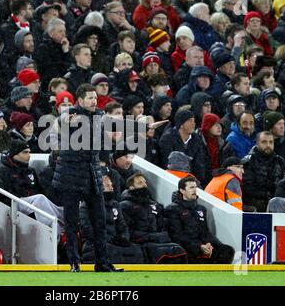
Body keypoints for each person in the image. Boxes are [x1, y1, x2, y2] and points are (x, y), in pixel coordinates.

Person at [52, 83, 120, 272]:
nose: (94, 101)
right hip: (70, 176)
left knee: (100, 222)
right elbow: (62, 121)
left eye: (95, 98)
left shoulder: (99, 115)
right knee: (72, 223)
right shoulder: (71, 114)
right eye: (90, 98)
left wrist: (143, 126)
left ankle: (103, 263)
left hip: (92, 175)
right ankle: (74, 263)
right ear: (80, 100)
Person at [165, 175, 235, 263]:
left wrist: (212, 244)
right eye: (191, 187)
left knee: (227, 250)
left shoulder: (201, 209)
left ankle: (218, 274)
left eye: (195, 187)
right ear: (182, 190)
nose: (195, 190)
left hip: (202, 245)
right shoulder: (172, 209)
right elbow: (177, 236)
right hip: (186, 246)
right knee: (193, 252)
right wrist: (199, 246)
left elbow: (205, 232)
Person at [120, 172, 187, 263]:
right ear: (131, 187)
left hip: (157, 240)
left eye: (145, 182)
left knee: (178, 248)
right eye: (140, 183)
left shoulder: (154, 204)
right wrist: (150, 236)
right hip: (141, 242)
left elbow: (162, 226)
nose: (144, 185)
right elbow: (128, 231)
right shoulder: (125, 206)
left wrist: (161, 236)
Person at [80, 174, 145, 264]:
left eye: (111, 185)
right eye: (107, 185)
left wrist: (123, 238)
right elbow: (87, 229)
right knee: (110, 249)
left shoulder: (115, 205)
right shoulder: (86, 206)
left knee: (136, 249)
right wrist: (108, 239)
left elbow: (122, 226)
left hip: (114, 242)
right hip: (94, 244)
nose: (111, 188)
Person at [242, 131, 285, 212]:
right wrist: (266, 194)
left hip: (276, 207)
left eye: (271, 142)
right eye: (264, 142)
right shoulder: (249, 161)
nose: (268, 145)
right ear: (257, 143)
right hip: (254, 207)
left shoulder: (280, 161)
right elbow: (247, 187)